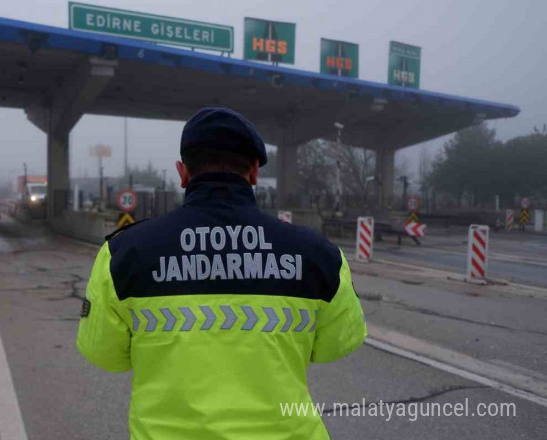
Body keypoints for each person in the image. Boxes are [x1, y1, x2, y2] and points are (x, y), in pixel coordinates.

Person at [76, 108, 367, 440]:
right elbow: (338, 345)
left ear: (183, 173)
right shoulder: (319, 254)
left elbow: (104, 355)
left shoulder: (123, 254)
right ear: (255, 171)